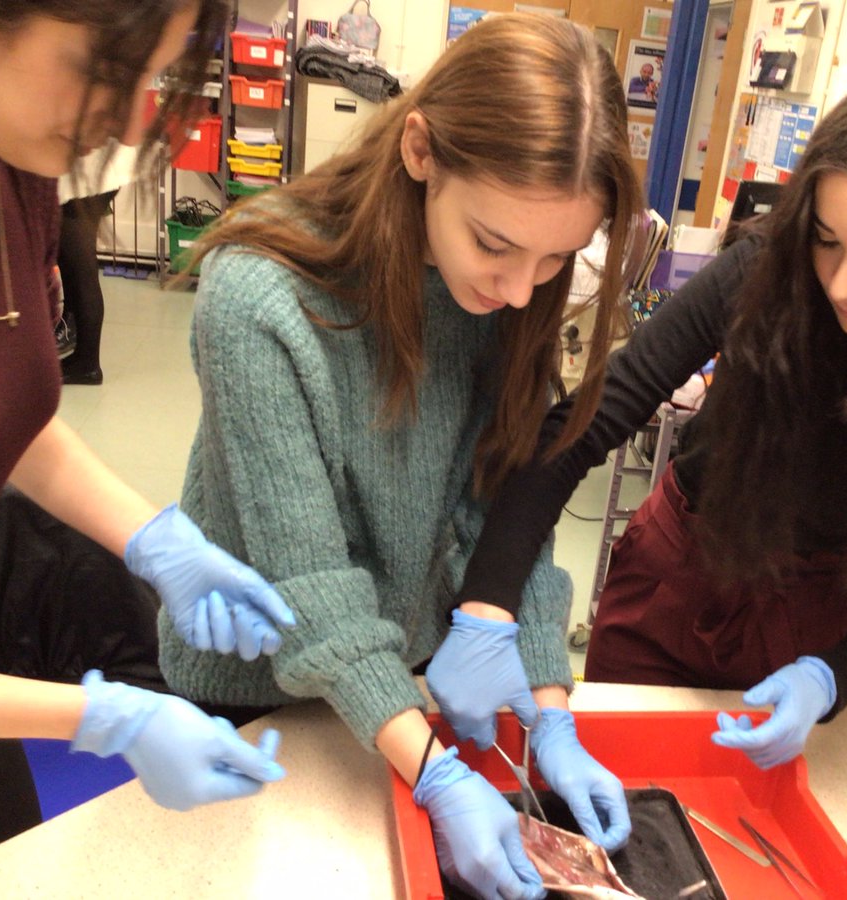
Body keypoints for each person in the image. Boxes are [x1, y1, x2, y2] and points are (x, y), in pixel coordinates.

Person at [445, 50, 847, 771]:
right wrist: (487, 603)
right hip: (676, 573)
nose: (844, 285)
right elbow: (579, 430)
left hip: (814, 622)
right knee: (621, 787)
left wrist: (833, 673)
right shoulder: (767, 272)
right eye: (827, 241)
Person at [163, 14, 640, 900]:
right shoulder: (260, 297)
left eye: (556, 258)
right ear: (421, 150)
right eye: (494, 244)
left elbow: (509, 510)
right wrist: (440, 778)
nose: (517, 288)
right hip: (254, 699)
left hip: (397, 695)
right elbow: (310, 588)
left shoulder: (514, 291)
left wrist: (549, 708)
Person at [0, 0, 298, 883]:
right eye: (105, 69)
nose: (130, 120)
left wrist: (156, 538)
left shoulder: (10, 164)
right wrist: (98, 719)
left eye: (153, 76)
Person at [56, 140, 137, 385]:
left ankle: (87, 364)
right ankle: (78, 349)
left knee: (80, 265)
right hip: (95, 169)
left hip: (91, 174)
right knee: (71, 259)